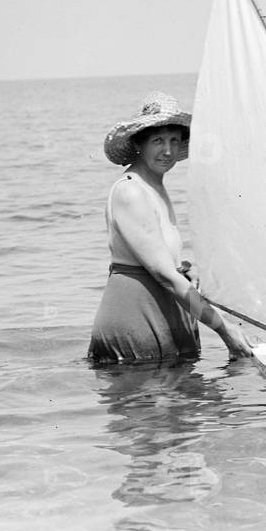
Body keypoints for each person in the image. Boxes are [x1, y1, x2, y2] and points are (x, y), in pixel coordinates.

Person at [88, 91, 252, 364]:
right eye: (158, 141)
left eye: (174, 140)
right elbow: (163, 276)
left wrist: (185, 271)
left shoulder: (154, 186)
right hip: (137, 324)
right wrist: (225, 330)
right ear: (139, 143)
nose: (167, 151)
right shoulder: (131, 192)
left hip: (162, 319)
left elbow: (163, 263)